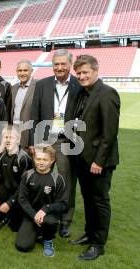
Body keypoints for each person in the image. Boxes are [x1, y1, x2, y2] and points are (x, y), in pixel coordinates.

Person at [69, 55, 120, 261]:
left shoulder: (107, 93)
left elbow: (110, 134)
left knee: (99, 201)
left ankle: (98, 244)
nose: (81, 77)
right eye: (78, 73)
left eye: (85, 73)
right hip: (82, 157)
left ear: (96, 71)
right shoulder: (82, 93)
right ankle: (89, 234)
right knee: (88, 199)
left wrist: (99, 161)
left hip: (99, 161)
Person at [30, 49, 81, 238]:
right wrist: (34, 140)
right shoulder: (42, 84)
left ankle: (65, 220)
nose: (59, 67)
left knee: (67, 182)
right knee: (42, 177)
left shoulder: (78, 85)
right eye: (56, 64)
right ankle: (40, 213)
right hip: (44, 139)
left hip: (66, 141)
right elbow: (34, 114)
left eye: (63, 64)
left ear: (70, 65)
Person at [16, 144, 67, 257]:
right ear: (34, 159)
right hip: (31, 214)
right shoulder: (27, 175)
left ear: (52, 160)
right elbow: (22, 199)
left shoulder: (57, 179)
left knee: (50, 221)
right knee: (23, 246)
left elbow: (63, 204)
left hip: (48, 215)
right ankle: (37, 232)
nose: (41, 162)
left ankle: (48, 240)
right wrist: (34, 215)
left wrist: (46, 209)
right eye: (38, 159)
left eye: (45, 159)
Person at [0, 126, 32, 232]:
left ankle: (11, 216)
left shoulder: (23, 158)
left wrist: (10, 202)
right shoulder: (1, 156)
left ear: (18, 139)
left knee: (15, 228)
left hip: (21, 194)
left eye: (12, 137)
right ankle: (4, 218)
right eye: (6, 137)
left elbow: (25, 186)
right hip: (7, 190)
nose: (8, 140)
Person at [10, 59, 37, 152]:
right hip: (14, 134)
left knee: (29, 164)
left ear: (31, 71)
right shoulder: (13, 88)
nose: (22, 73)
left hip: (29, 135)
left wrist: (34, 140)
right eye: (19, 70)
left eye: (25, 70)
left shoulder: (39, 86)